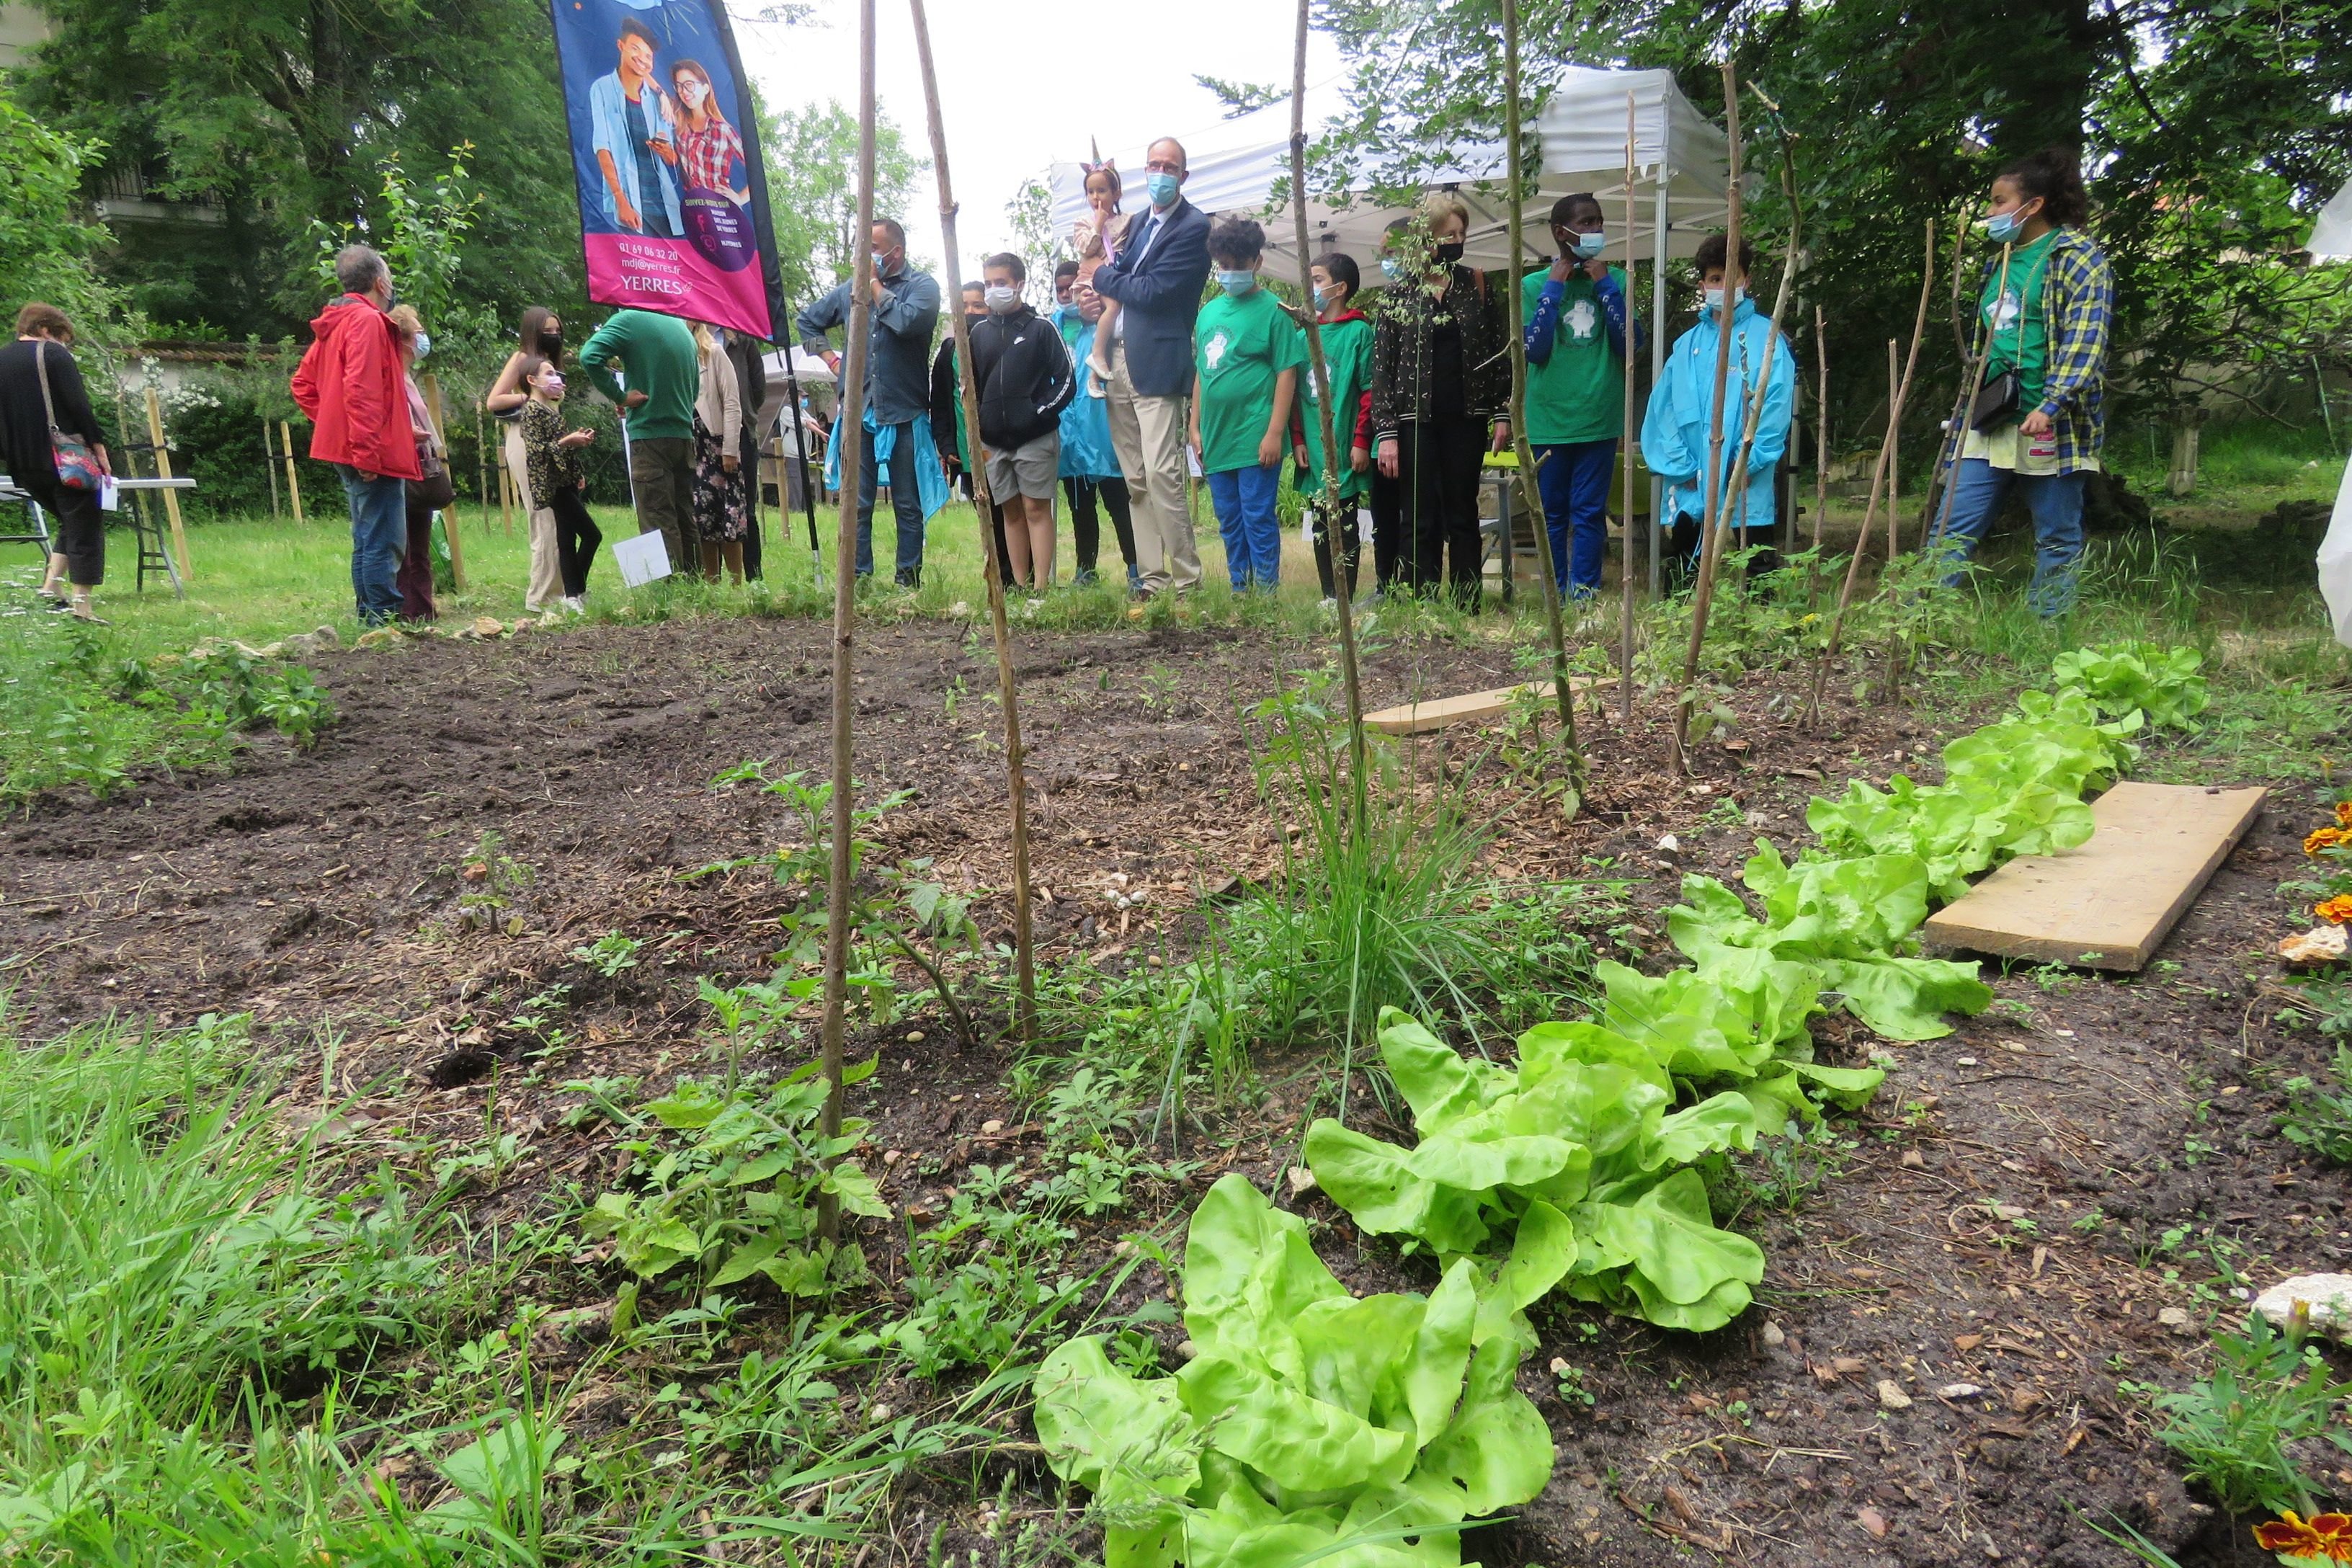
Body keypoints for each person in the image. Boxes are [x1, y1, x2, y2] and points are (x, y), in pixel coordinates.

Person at [1936, 148, 2114, 618]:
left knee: (2057, 534)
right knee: (1951, 525)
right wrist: (1965, 405)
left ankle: (2046, 629)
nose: (1990, 213)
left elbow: (2086, 339)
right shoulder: (2000, 261)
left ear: (2032, 205)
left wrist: (2053, 404)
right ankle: (1919, 623)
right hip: (1991, 417)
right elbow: (1988, 343)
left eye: (1998, 201)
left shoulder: (2078, 258)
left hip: (2050, 425)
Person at [1371, 195, 1513, 610]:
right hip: (1415, 421)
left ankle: (1467, 602)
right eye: (1448, 234)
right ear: (1426, 240)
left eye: (1462, 233)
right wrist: (1387, 432)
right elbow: (1383, 369)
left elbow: (1496, 352)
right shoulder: (1398, 295)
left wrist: (1501, 411)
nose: (1457, 240)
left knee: (1463, 513)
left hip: (1467, 418)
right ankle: (1421, 600)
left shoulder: (1477, 283)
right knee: (1418, 515)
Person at [1089, 135, 1212, 599]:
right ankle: (1152, 580)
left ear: (1184, 175)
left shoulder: (1194, 227)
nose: (1159, 172)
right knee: (1136, 478)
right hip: (1116, 359)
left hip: (1159, 361)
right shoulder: (1139, 221)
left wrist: (1102, 278)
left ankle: (1187, 581)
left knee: (1164, 473)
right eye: (1153, 165)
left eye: (1169, 166)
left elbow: (1155, 292)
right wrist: (1105, 287)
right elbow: (1124, 282)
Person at [1639, 232, 1795, 587]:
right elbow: (1662, 413)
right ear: (1702, 284)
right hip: (1691, 480)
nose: (1724, 286)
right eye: (1715, 279)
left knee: (1757, 566)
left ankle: (1761, 636)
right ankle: (1679, 635)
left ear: (1747, 279)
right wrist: (1682, 469)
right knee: (1682, 569)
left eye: (1732, 277)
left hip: (1747, 478)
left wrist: (1746, 462)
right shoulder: (1686, 346)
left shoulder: (1767, 339)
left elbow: (1775, 407)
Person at [798, 218, 943, 586]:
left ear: (895, 252)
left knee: (907, 503)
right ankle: (859, 579)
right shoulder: (849, 290)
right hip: (858, 411)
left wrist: (874, 285)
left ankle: (907, 581)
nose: (865, 256)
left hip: (904, 411)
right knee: (858, 502)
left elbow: (908, 323)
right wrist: (832, 360)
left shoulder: (922, 287)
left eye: (873, 249)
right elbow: (807, 321)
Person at [291, 244, 422, 626]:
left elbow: (303, 385)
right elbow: (362, 390)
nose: (392, 286)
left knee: (367, 538)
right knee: (384, 540)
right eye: (391, 279)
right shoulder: (366, 322)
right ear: (380, 282)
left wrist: (340, 428)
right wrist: (365, 448)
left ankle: (369, 622)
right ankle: (381, 625)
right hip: (368, 453)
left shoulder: (336, 322)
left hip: (350, 447)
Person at [1524, 192, 1636, 599]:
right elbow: (1534, 351)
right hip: (1548, 420)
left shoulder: (1619, 280)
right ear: (1561, 232)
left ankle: (1584, 592)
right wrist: (1553, 290)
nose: (1595, 230)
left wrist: (1605, 285)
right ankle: (1555, 593)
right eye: (1586, 223)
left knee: (1589, 513)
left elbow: (1629, 346)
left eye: (1599, 222)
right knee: (1552, 513)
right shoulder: (1532, 286)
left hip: (1597, 417)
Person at [1190, 218, 1303, 594]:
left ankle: (1267, 592)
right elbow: (1202, 373)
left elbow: (1287, 372)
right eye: (1223, 265)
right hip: (1216, 435)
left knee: (1257, 515)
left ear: (1257, 262)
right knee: (1228, 518)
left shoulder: (1275, 310)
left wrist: (1275, 432)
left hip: (1255, 435)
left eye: (1239, 265)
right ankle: (1241, 590)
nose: (1230, 272)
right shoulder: (1208, 312)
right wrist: (1194, 426)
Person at [969, 252, 1077, 592]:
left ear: (1019, 284)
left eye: (1000, 283)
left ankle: (1042, 588)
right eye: (988, 283)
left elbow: (1066, 380)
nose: (993, 290)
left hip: (1035, 438)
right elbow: (969, 386)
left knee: (1035, 507)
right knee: (1010, 512)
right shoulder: (977, 334)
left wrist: (1038, 412)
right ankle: (1017, 585)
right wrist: (980, 426)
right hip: (993, 442)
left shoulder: (1042, 329)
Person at [0, 304, 111, 623]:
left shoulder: (2, 359)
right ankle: (83, 607)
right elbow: (79, 406)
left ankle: (51, 589)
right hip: (63, 459)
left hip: (23, 465)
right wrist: (99, 449)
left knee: (70, 519)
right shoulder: (53, 355)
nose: (65, 346)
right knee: (86, 523)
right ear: (46, 330)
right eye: (64, 338)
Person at [579, 306, 702, 574]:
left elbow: (589, 356)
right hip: (682, 434)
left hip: (649, 435)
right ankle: (695, 588)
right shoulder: (681, 328)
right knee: (684, 517)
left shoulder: (629, 320)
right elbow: (694, 389)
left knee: (658, 517)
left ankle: (667, 596)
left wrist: (620, 396)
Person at [1291, 251, 1374, 602]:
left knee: (1345, 520)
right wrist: (1298, 439)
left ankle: (1345, 595)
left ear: (1339, 289)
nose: (1311, 288)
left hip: (1344, 444)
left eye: (1318, 280)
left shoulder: (1359, 332)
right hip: (1312, 442)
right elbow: (1293, 394)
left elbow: (1370, 391)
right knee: (1321, 522)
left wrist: (1360, 440)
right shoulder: (1302, 337)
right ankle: (1329, 595)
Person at [483, 307, 566, 612]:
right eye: (548, 331)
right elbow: (494, 400)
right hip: (526, 440)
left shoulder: (553, 365)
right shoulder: (521, 360)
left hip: (550, 441)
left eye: (558, 331)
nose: (554, 336)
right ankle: (541, 596)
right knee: (542, 515)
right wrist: (533, 394)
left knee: (559, 516)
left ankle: (559, 588)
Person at [1058, 276, 1138, 588]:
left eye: (1075, 288)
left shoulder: (1105, 325)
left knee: (1120, 504)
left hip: (1105, 434)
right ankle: (1085, 568)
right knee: (1081, 508)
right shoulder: (1057, 327)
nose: (1069, 294)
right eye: (1062, 289)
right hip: (1070, 440)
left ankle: (1135, 568)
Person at [518, 355, 602, 612]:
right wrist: (568, 442)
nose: (556, 379)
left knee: (566, 541)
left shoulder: (549, 409)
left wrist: (576, 467)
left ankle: (572, 595)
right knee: (592, 535)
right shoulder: (531, 410)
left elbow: (559, 448)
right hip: (551, 485)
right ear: (532, 380)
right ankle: (577, 591)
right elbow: (536, 451)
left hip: (565, 481)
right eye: (549, 373)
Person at [589, 17, 682, 238]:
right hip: (630, 208)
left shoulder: (657, 101)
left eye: (649, 56)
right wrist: (620, 200)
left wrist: (666, 152)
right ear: (621, 46)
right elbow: (602, 148)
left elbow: (672, 159)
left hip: (664, 208)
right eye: (635, 49)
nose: (642, 59)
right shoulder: (602, 89)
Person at [387, 304, 450, 622]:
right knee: (406, 544)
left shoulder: (409, 378)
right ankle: (406, 608)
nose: (424, 337)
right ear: (404, 339)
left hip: (423, 464)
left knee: (421, 543)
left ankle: (424, 607)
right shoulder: (391, 379)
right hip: (402, 465)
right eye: (419, 331)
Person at [690, 321, 747, 583]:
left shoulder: (714, 352)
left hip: (717, 444)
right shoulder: (676, 355)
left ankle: (737, 584)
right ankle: (710, 582)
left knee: (729, 517)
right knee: (701, 518)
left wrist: (730, 449)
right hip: (690, 448)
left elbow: (733, 403)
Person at [1071, 161, 1131, 391]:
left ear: (1117, 194)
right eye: (1090, 191)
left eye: (1102, 190)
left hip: (1114, 278)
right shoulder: (1083, 222)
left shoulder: (1127, 220)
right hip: (1092, 280)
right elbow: (1085, 249)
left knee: (1110, 323)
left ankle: (1095, 378)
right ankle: (1096, 355)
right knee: (1112, 308)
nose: (1096, 196)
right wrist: (1098, 224)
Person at [720, 326, 772, 579]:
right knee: (705, 509)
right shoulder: (690, 334)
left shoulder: (742, 340)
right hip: (700, 432)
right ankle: (709, 577)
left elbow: (758, 388)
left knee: (745, 507)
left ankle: (754, 576)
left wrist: (746, 412)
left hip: (741, 432)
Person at [931, 281, 987, 502]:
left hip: (999, 449)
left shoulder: (998, 345)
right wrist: (946, 443)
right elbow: (940, 404)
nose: (970, 312)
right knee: (982, 506)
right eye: (963, 305)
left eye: (978, 305)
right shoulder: (948, 352)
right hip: (965, 449)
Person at [667, 60, 748, 205]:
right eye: (679, 87)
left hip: (721, 211)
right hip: (693, 209)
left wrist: (740, 199)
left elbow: (756, 171)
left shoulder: (723, 130)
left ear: (706, 88)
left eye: (689, 85)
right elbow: (647, 78)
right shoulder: (680, 123)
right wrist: (661, 93)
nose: (684, 92)